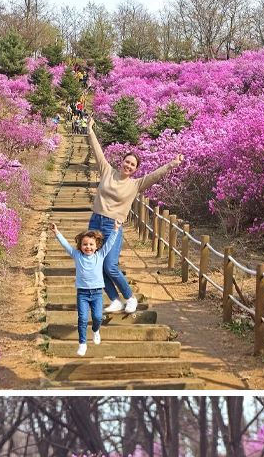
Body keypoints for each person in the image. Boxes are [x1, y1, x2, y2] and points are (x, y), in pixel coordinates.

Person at [87, 116, 183, 313]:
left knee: (110, 265)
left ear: (135, 169)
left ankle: (130, 297)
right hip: (96, 220)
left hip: (112, 226)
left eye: (132, 165)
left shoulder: (136, 184)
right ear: (121, 161)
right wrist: (89, 129)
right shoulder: (107, 171)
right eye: (126, 162)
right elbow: (97, 151)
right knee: (96, 264)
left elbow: (155, 175)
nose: (128, 166)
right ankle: (115, 300)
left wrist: (172, 163)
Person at [49, 218, 123, 356]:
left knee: (98, 317)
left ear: (96, 246)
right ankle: (82, 343)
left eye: (91, 244)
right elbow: (66, 245)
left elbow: (110, 243)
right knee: (82, 319)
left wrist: (115, 229)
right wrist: (56, 232)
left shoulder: (100, 255)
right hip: (82, 294)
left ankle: (95, 330)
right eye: (85, 244)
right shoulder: (77, 255)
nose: (88, 247)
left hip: (97, 294)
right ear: (80, 246)